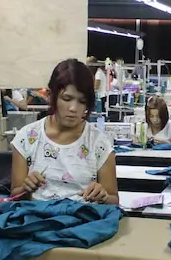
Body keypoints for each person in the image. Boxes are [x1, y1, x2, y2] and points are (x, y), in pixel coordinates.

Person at [10, 59, 118, 204]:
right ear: (51, 95)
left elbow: (113, 200)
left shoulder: (99, 144)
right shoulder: (27, 138)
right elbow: (14, 196)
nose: (73, 108)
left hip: (81, 223)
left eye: (81, 101)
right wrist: (25, 188)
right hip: (38, 222)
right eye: (67, 98)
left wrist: (103, 196)